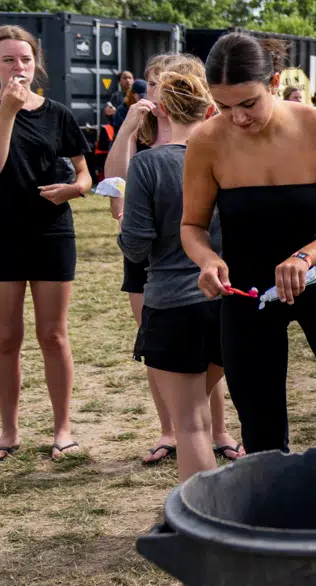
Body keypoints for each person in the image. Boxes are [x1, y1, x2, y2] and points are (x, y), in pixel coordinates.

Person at [181, 33, 316, 454]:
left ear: (273, 82)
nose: (237, 118)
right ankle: (274, 508)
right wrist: (207, 258)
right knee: (260, 425)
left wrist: (305, 257)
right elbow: (191, 226)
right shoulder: (206, 140)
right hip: (246, 292)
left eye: (248, 103)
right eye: (223, 106)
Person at [0, 25, 92, 463]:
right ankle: (9, 432)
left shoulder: (58, 113)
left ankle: (63, 430)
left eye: (26, 59)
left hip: (52, 232)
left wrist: (73, 190)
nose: (19, 68)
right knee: (4, 338)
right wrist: (9, 112)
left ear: (37, 63)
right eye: (8, 60)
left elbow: (85, 172)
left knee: (53, 335)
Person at [106, 53, 239, 466]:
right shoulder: (234, 157)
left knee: (190, 426)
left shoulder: (149, 163)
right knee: (204, 406)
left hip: (173, 305)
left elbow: (136, 244)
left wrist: (124, 232)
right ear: (212, 107)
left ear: (162, 107)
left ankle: (203, 522)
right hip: (228, 301)